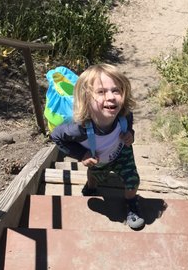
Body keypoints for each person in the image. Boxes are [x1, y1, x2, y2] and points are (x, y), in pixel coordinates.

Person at [50, 63, 144, 229]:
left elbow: (128, 118)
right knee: (94, 173)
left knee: (133, 180)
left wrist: (129, 133)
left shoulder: (123, 114)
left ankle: (131, 202)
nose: (111, 97)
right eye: (101, 92)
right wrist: (81, 154)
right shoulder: (79, 128)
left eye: (116, 90)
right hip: (98, 156)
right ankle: (91, 186)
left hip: (122, 152)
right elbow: (56, 136)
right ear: (86, 98)